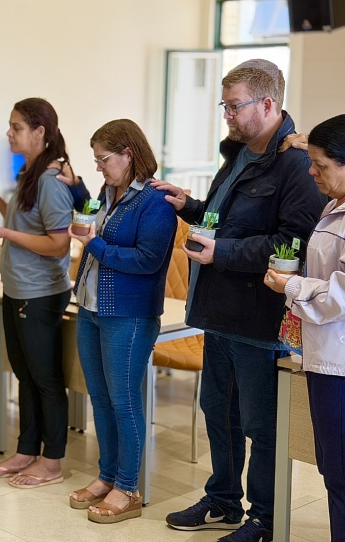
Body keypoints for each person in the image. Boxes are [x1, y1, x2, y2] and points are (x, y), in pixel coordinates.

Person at [154, 59, 327, 541]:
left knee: (260, 426)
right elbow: (223, 220)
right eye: (224, 106)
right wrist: (188, 205)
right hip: (219, 312)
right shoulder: (239, 155)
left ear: (267, 103)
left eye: (234, 106)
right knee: (219, 412)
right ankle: (224, 500)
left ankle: (264, 519)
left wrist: (223, 253)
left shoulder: (296, 164)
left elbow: (293, 245)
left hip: (259, 318)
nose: (227, 115)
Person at [69, 119, 177, 523]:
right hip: (91, 308)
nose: (99, 167)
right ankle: (107, 476)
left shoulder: (154, 201)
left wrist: (94, 243)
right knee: (99, 398)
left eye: (103, 159)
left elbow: (148, 260)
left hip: (129, 315)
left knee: (124, 401)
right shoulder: (108, 192)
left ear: (128, 154)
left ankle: (128, 488)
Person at [0, 98, 73, 488]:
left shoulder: (51, 180)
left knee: (45, 378)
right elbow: (25, 225)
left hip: (40, 292)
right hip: (18, 289)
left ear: (39, 132)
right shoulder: (29, 173)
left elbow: (58, 245)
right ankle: (26, 450)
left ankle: (52, 461)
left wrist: (3, 232)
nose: (9, 133)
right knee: (25, 374)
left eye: (16, 127)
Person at [264, 114, 345, 542]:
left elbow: (341, 295)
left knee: (340, 474)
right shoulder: (334, 205)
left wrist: (292, 285)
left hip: (338, 363)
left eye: (320, 164)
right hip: (323, 355)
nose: (311, 171)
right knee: (333, 470)